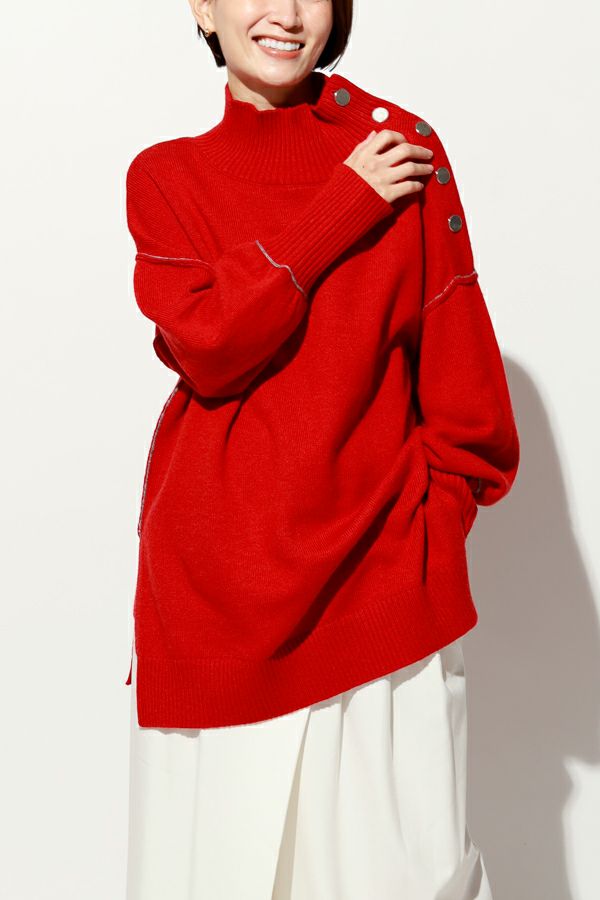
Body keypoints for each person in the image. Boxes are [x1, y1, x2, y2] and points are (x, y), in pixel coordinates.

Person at [124, 1, 520, 897]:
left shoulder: (403, 149)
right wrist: (343, 204)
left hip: (382, 595)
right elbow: (213, 345)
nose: (286, 11)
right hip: (213, 609)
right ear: (203, 7)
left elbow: (465, 390)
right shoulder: (165, 177)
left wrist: (422, 541)